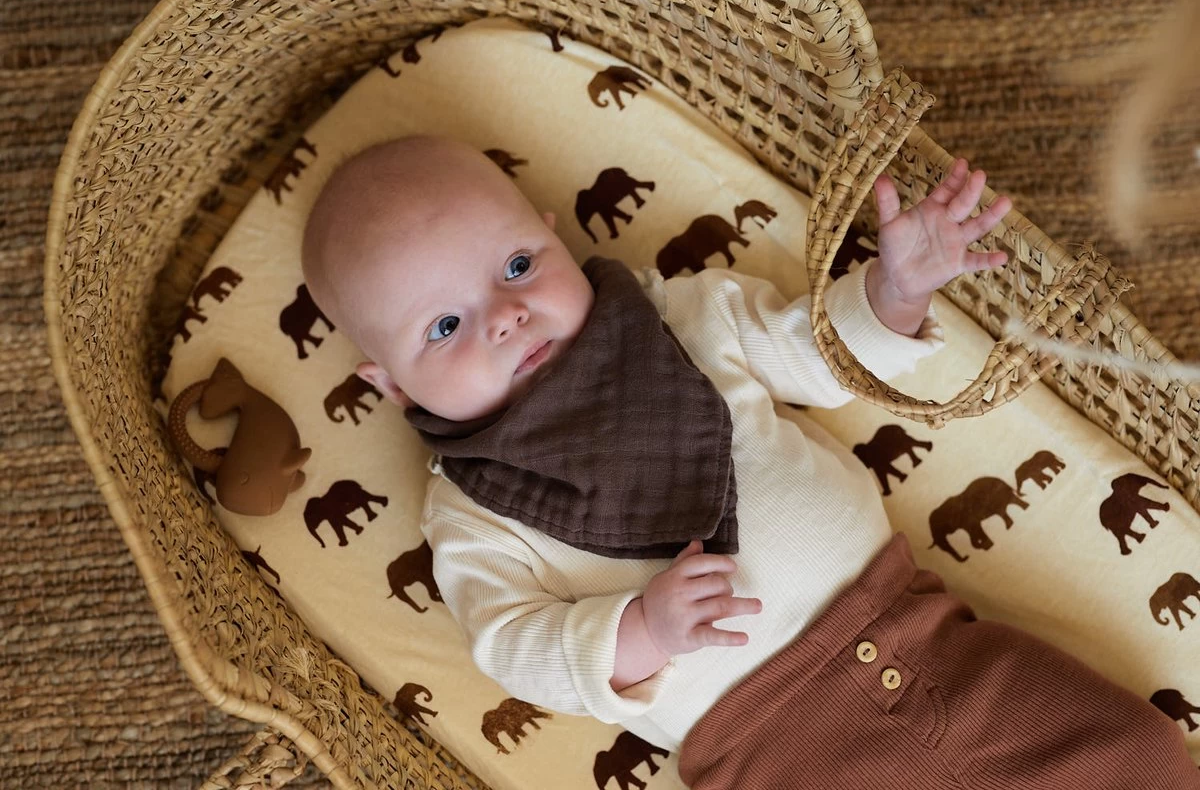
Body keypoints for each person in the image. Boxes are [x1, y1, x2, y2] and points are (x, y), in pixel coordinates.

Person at [301, 135, 1199, 788]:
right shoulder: (472, 514)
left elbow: (810, 354)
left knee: (1138, 756)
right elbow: (511, 644)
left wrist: (889, 294)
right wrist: (638, 631)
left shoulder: (682, 318)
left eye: (516, 264)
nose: (504, 316)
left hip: (930, 639)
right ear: (386, 382)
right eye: (446, 326)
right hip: (771, 749)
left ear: (555, 234)